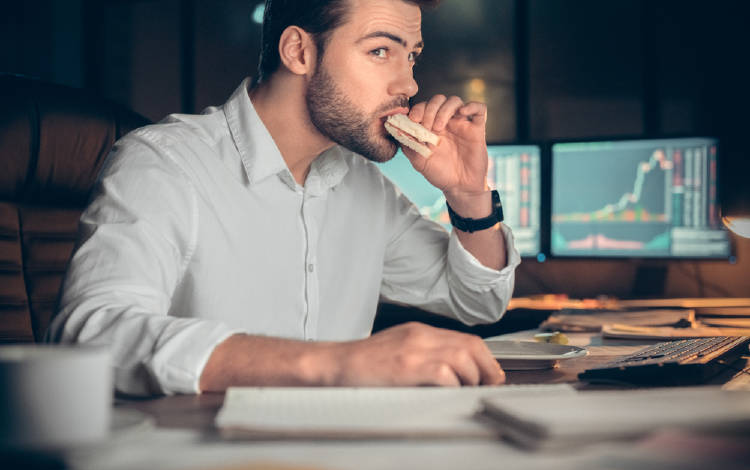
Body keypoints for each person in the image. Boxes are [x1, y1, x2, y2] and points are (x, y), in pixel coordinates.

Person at [46, 0, 521, 395]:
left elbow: (479, 302)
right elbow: (92, 335)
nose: (410, 85)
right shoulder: (165, 163)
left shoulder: (364, 186)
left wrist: (466, 192)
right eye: (381, 51)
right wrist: (335, 364)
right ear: (298, 51)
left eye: (411, 56)